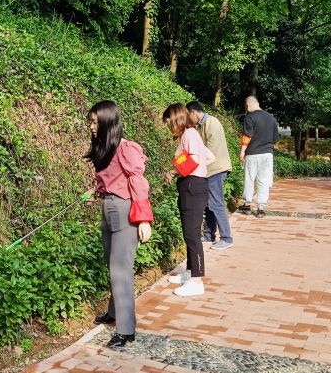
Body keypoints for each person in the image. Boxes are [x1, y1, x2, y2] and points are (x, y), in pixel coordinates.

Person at [86, 101, 153, 348]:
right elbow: (110, 180)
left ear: (108, 122)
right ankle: (114, 313)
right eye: (91, 122)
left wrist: (144, 219)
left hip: (125, 210)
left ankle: (126, 329)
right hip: (108, 208)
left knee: (120, 268)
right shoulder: (105, 148)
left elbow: (138, 183)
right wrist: (97, 190)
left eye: (95, 122)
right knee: (112, 263)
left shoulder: (127, 148)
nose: (92, 127)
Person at [162, 103, 215, 297]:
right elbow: (209, 157)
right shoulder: (191, 135)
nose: (168, 126)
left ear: (176, 119)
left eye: (168, 121)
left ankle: (197, 281)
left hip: (192, 186)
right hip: (192, 185)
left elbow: (193, 160)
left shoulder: (189, 134)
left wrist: (173, 171)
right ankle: (190, 274)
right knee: (189, 233)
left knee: (192, 235)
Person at [186, 101, 233, 250]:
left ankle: (227, 237)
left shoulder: (212, 122)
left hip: (216, 169)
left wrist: (194, 165)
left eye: (188, 115)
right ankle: (208, 234)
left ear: (193, 112)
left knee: (216, 203)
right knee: (209, 204)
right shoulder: (201, 125)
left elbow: (211, 151)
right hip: (209, 170)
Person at [238, 96, 279, 218]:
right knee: (264, 181)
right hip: (267, 154)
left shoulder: (249, 117)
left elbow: (247, 136)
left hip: (252, 153)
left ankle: (247, 205)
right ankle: (261, 209)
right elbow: (275, 139)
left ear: (247, 105)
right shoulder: (271, 118)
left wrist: (242, 152)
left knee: (249, 179)